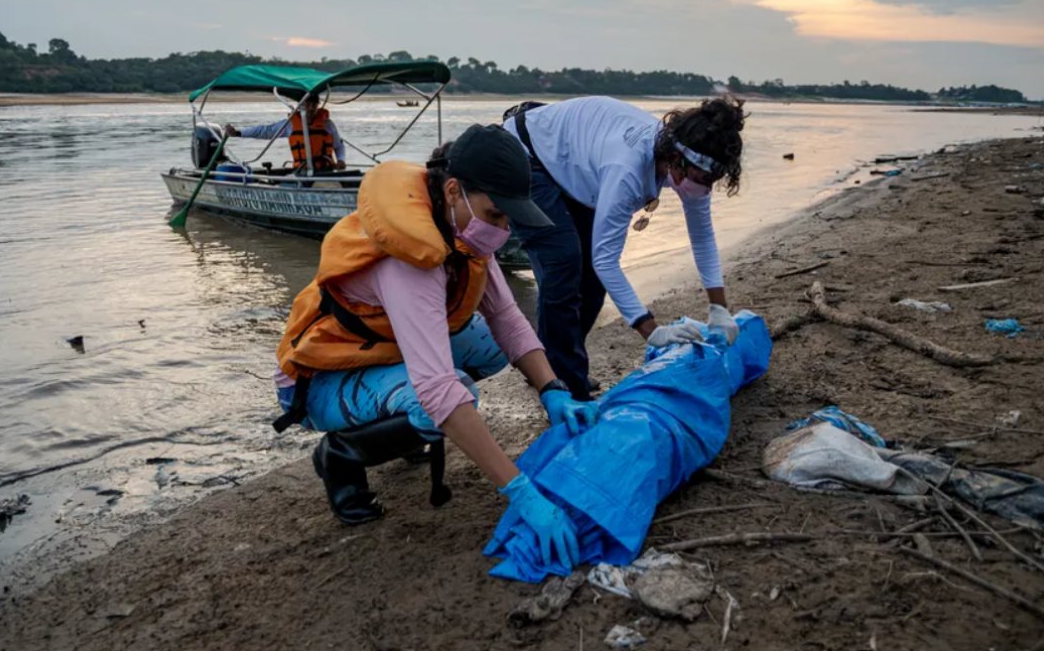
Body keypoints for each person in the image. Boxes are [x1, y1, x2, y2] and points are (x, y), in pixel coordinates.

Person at [269, 124, 599, 569]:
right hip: (318, 382)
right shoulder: (410, 261)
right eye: (496, 214)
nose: (504, 228)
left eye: (509, 218)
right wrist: (522, 493)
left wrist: (553, 390)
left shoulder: (462, 232)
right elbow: (441, 391)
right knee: (443, 399)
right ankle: (341, 456)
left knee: (491, 346)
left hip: (379, 351)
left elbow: (507, 319)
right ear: (453, 191)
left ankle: (400, 427)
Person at [502, 96, 747, 400]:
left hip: (577, 165)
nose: (705, 188)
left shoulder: (692, 164)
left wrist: (719, 308)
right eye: (702, 180)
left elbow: (702, 236)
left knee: (591, 282)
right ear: (675, 159)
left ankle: (554, 368)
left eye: (713, 181)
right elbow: (607, 260)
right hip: (526, 154)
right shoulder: (627, 169)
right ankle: (565, 386)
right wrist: (652, 331)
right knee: (563, 263)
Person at [224, 93, 346, 173]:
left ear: (317, 106)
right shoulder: (290, 124)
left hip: (326, 170)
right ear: (301, 106)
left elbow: (339, 145)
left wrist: (341, 160)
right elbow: (266, 131)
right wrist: (239, 133)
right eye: (307, 104)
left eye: (314, 105)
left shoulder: (328, 124)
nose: (310, 108)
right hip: (302, 171)